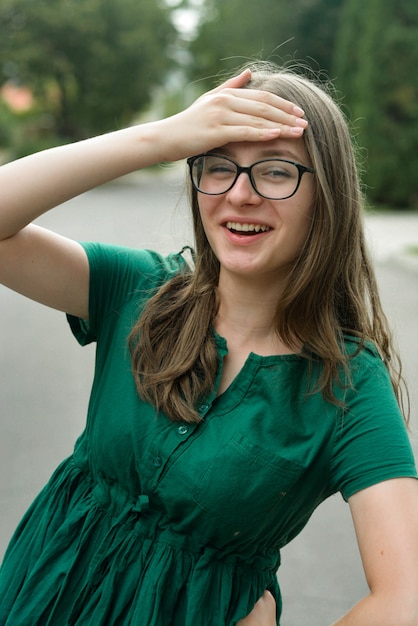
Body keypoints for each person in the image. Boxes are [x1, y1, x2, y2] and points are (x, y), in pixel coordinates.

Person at [0, 61, 417, 626]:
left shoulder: (344, 384)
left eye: (275, 172)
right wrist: (161, 137)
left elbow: (404, 598)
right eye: (218, 167)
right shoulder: (138, 290)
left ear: (329, 196)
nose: (239, 195)